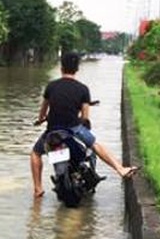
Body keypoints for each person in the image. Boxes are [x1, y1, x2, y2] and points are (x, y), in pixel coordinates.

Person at [30, 52, 139, 198]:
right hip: (74, 130)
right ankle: (120, 169)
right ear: (77, 69)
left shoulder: (51, 87)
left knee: (36, 153)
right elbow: (85, 117)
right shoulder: (83, 89)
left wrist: (41, 119)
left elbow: (43, 112)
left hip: (53, 133)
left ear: (61, 67)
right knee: (95, 145)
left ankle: (38, 189)